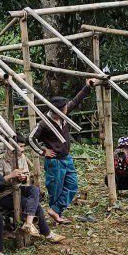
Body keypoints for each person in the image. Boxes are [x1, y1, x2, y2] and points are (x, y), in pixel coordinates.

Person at [0, 132, 60, 242]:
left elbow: (27, 175)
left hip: (18, 189)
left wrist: (24, 178)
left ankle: (29, 223)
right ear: (11, 147)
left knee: (34, 190)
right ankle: (46, 233)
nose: (22, 150)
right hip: (4, 195)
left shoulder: (22, 158)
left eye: (23, 146)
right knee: (34, 205)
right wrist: (10, 176)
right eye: (20, 147)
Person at [33, 78, 98, 223]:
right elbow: (30, 139)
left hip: (66, 158)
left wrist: (87, 87)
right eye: (64, 108)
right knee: (55, 188)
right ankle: (56, 214)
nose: (67, 109)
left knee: (72, 185)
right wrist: (43, 151)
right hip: (54, 161)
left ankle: (55, 210)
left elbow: (75, 101)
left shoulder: (63, 116)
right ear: (57, 110)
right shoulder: (44, 123)